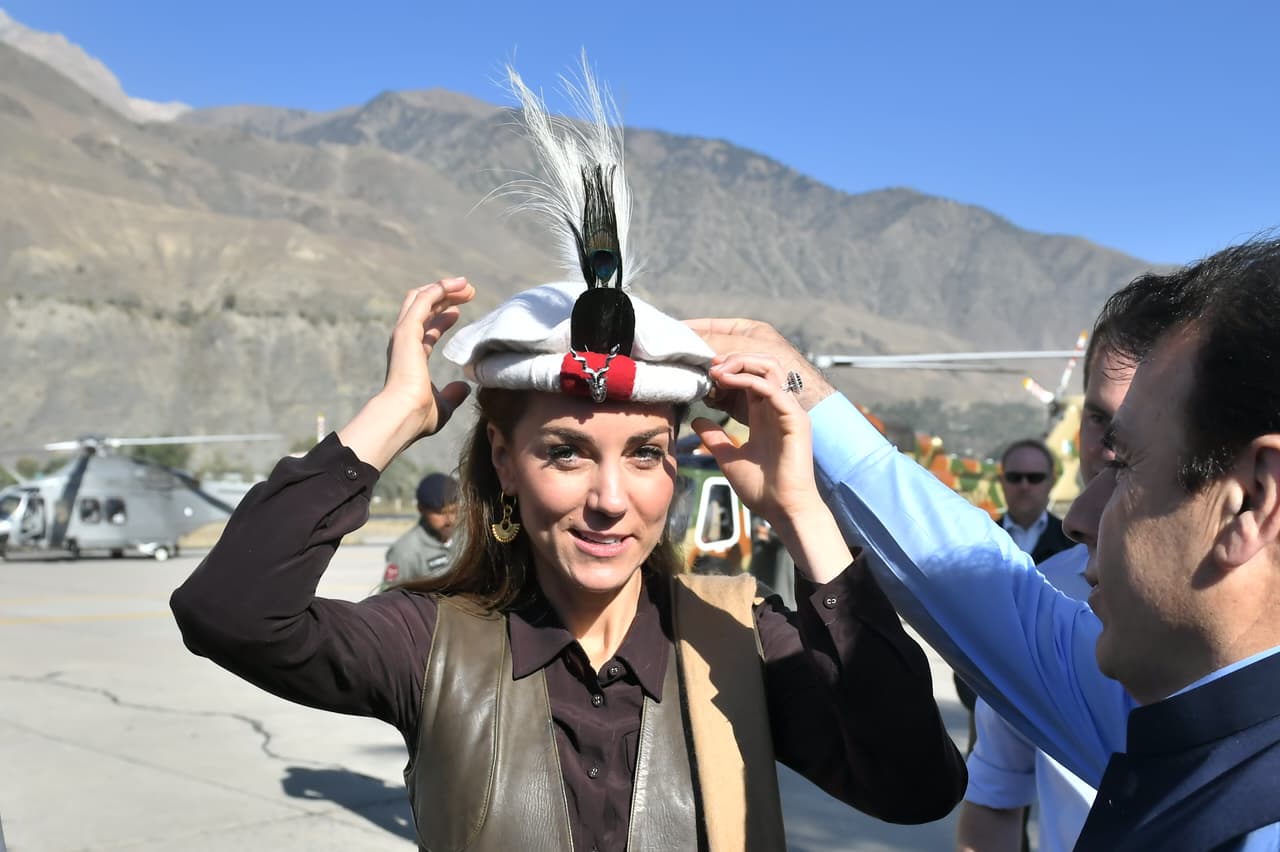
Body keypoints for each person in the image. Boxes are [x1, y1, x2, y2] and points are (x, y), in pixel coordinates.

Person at [170, 64, 965, 852]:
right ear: (503, 460)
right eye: (566, 453)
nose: (611, 498)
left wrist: (803, 515)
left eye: (647, 454)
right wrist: (390, 418)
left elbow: (917, 787)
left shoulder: (738, 643)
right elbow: (231, 612)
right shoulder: (432, 646)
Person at [693, 235, 1280, 849]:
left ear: (1253, 501)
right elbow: (995, 603)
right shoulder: (1180, 713)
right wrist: (802, 396)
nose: (1079, 516)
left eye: (1127, 464)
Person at [957, 327, 1133, 852]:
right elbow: (992, 804)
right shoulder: (1040, 590)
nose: (1109, 448)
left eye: (1135, 426)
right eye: (1098, 419)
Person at [953, 437, 1075, 754]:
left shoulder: (1074, 549)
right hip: (985, 695)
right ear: (1002, 481)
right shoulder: (976, 541)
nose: (1024, 486)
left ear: (1050, 482)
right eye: (1015, 477)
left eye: (1034, 478)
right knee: (987, 792)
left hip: (1054, 703)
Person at [379, 472, 459, 590]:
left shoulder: (469, 537)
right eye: (440, 513)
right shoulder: (406, 551)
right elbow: (386, 600)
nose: (450, 520)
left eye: (454, 511)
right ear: (421, 509)